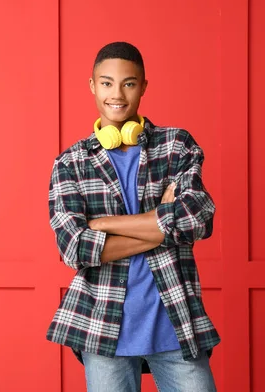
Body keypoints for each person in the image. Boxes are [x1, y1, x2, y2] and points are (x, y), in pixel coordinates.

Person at [46, 42, 220, 392]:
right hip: (104, 327)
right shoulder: (71, 163)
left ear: (143, 86)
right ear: (93, 86)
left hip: (174, 320)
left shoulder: (176, 145)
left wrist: (104, 224)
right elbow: (74, 249)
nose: (117, 94)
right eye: (107, 83)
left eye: (129, 83)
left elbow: (196, 219)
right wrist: (160, 223)